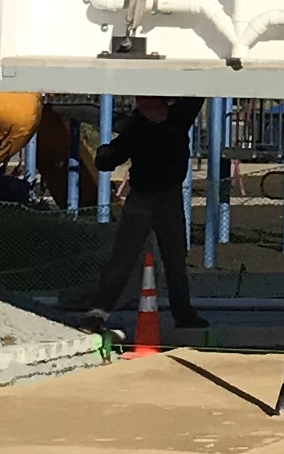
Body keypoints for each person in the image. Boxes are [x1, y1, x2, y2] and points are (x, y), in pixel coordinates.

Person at [76, 94, 209, 334]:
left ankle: (184, 313)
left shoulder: (176, 118)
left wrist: (107, 155)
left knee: (175, 258)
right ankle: (98, 312)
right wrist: (105, 154)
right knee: (124, 257)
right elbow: (111, 158)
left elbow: (197, 95)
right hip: (143, 197)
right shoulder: (138, 127)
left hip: (167, 197)